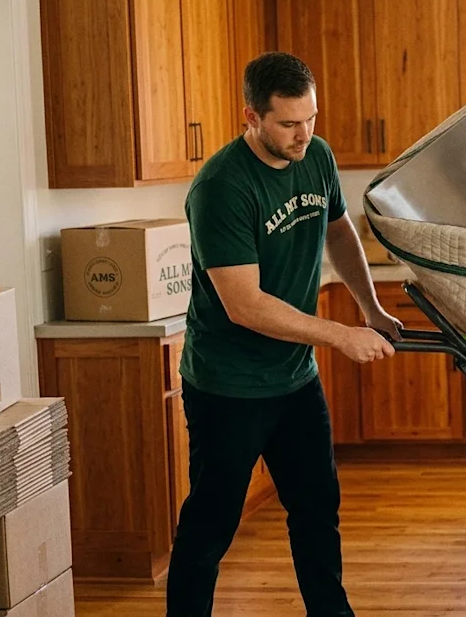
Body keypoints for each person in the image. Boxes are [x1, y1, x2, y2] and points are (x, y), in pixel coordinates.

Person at [167, 51, 403, 617]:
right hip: (229, 386)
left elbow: (341, 231)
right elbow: (244, 305)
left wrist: (368, 306)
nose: (305, 135)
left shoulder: (316, 156)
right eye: (289, 123)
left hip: (294, 380)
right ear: (250, 116)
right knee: (212, 524)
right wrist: (339, 336)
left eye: (312, 118)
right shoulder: (221, 187)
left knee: (318, 508)